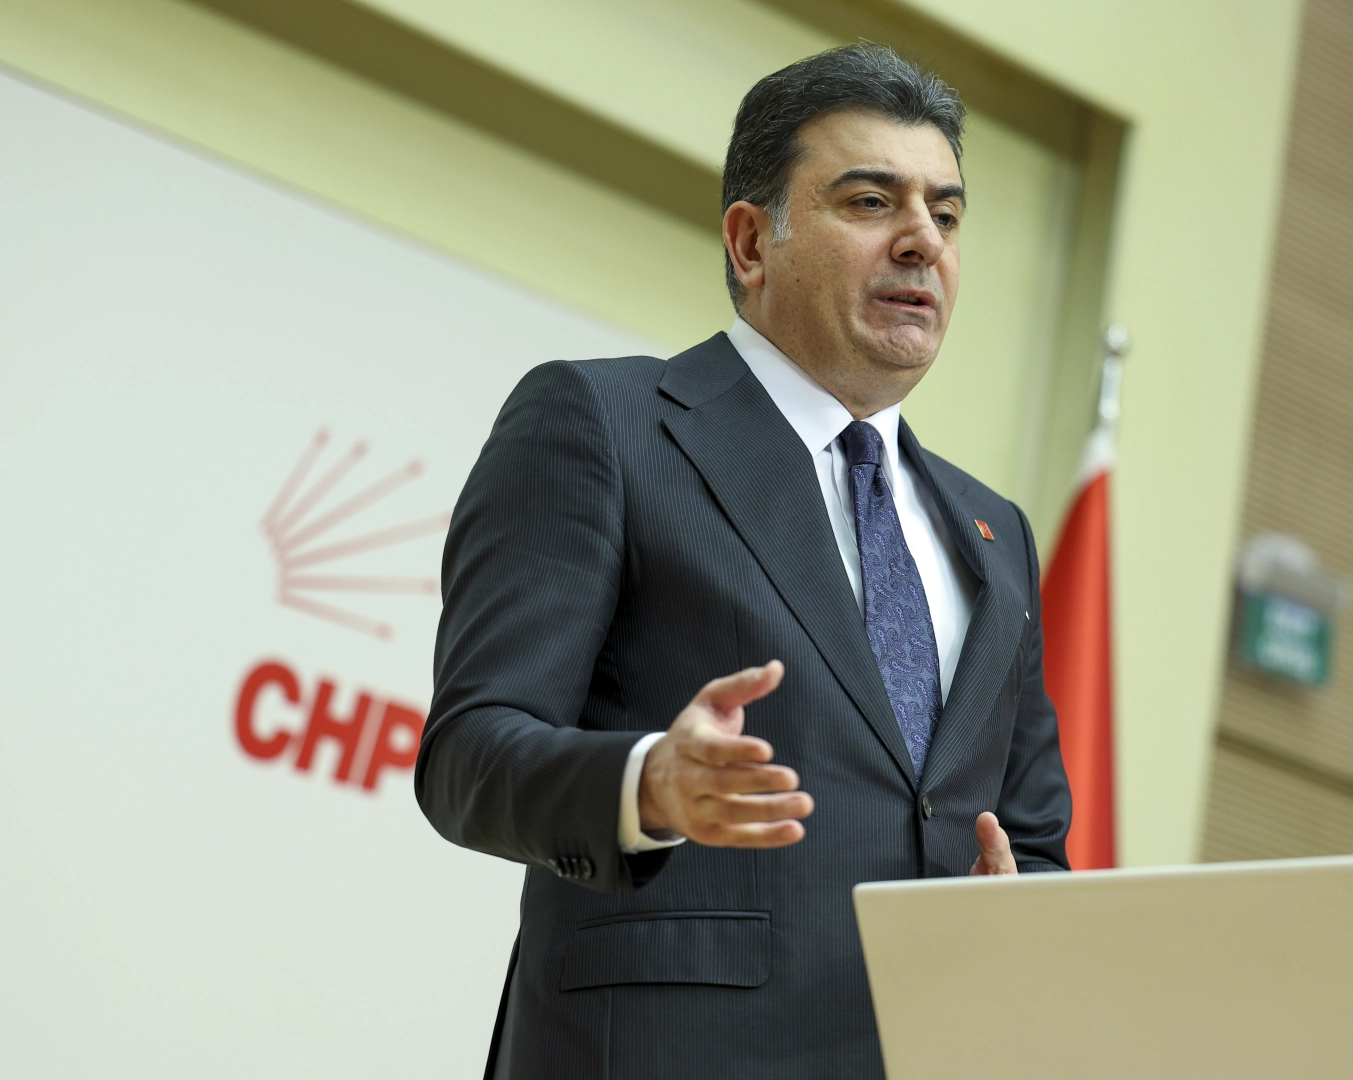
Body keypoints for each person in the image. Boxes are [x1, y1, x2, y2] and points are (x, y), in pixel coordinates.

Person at [417, 43, 1071, 1079]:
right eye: (871, 202)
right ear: (751, 240)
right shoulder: (605, 424)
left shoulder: (995, 533)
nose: (922, 242)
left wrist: (1018, 918)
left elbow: (1030, 840)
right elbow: (469, 756)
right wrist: (648, 783)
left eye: (946, 216)